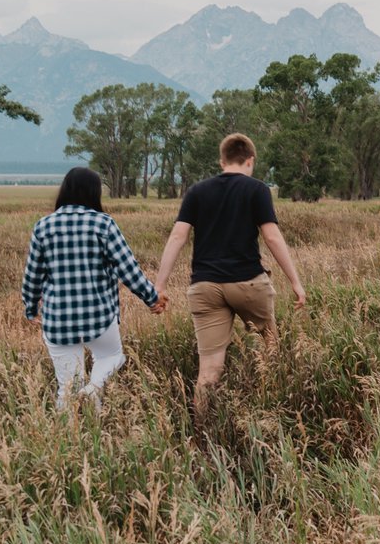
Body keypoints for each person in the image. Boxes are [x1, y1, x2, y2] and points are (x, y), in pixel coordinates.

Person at [153, 133, 306, 418]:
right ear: (250, 160)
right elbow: (271, 237)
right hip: (249, 282)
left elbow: (178, 236)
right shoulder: (257, 189)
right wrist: (295, 282)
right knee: (270, 346)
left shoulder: (197, 191)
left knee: (209, 371)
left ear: (221, 160)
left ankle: (200, 432)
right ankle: (272, 415)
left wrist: (159, 285)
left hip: (205, 287)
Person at [21, 166, 166, 414]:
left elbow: (33, 275)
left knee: (66, 389)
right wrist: (152, 298)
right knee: (112, 357)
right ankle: (93, 388)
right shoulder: (104, 224)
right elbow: (128, 269)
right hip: (99, 316)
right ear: (94, 193)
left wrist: (30, 307)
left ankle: (70, 443)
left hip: (58, 320)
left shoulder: (43, 227)